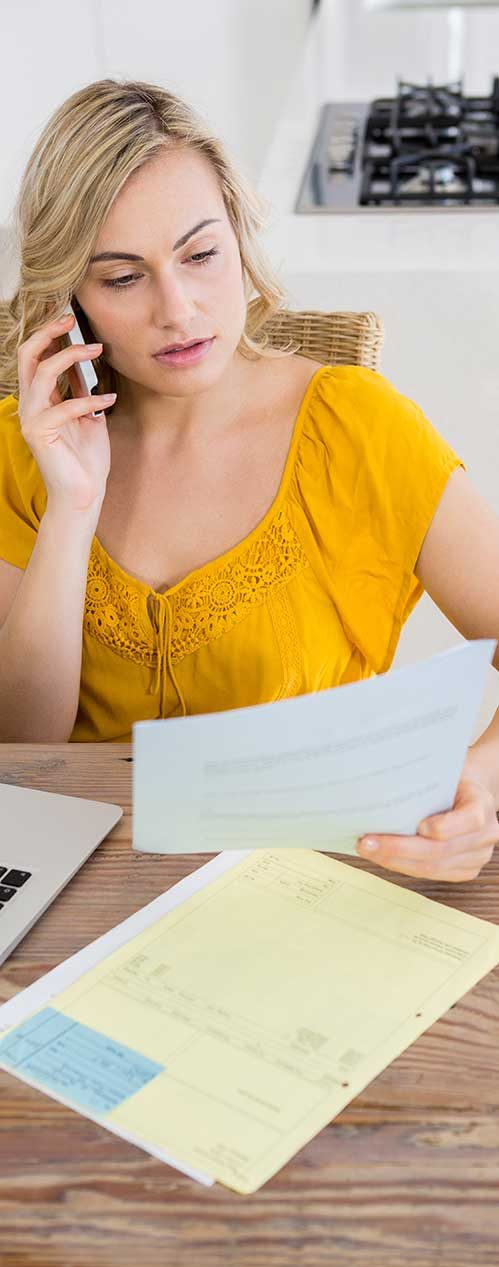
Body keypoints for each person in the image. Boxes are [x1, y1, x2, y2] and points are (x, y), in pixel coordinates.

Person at [0, 78, 498, 883]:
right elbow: (20, 742)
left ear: (239, 237)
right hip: (76, 898)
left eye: (200, 255)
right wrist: (71, 507)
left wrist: (480, 780)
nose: (180, 309)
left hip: (311, 881)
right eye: (122, 278)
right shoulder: (26, 454)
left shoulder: (358, 429)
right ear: (73, 298)